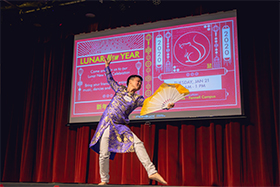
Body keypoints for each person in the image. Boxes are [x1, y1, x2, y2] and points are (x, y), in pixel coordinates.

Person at [89, 58, 174, 185]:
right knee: (104, 154)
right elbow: (110, 80)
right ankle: (104, 180)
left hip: (120, 126)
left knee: (138, 143)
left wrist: (165, 106)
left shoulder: (137, 99)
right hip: (107, 123)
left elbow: (150, 104)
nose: (139, 84)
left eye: (140, 83)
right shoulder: (120, 89)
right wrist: (107, 66)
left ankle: (152, 171)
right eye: (137, 81)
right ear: (130, 82)